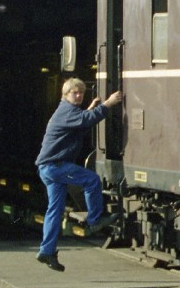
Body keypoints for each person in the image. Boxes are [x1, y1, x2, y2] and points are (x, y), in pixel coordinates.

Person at [34, 78, 124, 271]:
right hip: (56, 166)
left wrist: (90, 108)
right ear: (65, 95)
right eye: (75, 93)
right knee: (91, 180)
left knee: (54, 211)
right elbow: (85, 120)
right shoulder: (66, 111)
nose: (79, 95)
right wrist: (108, 103)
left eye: (81, 93)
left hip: (48, 168)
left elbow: (82, 120)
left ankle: (46, 251)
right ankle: (95, 220)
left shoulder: (68, 111)